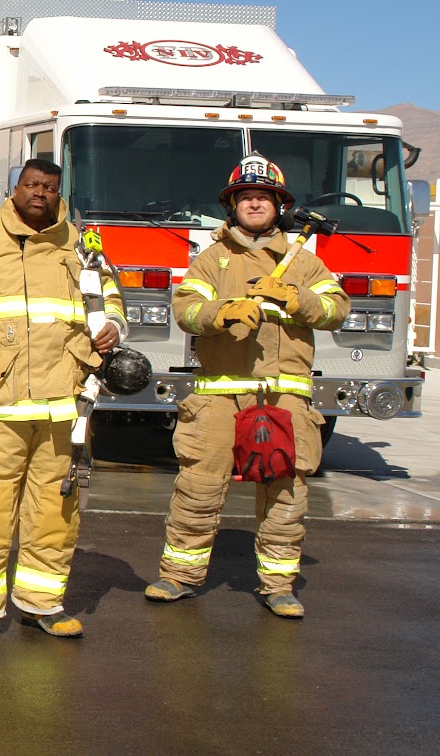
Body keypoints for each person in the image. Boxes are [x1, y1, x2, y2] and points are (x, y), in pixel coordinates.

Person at [0, 158, 127, 643]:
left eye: (50, 187)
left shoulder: (82, 246)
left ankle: (42, 605)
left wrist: (114, 327)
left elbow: (112, 299)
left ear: (60, 193)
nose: (40, 193)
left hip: (65, 406)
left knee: (55, 512)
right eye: (32, 185)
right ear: (14, 189)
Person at [145, 153, 347, 618]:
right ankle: (179, 577)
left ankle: (279, 586)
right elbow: (186, 311)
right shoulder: (212, 260)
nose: (255, 203)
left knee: (286, 495)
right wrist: (223, 312)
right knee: (198, 490)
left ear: (279, 206)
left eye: (264, 197)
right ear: (232, 205)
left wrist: (297, 298)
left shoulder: (305, 263)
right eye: (246, 197)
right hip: (219, 396)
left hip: (284, 396)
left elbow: (337, 309)